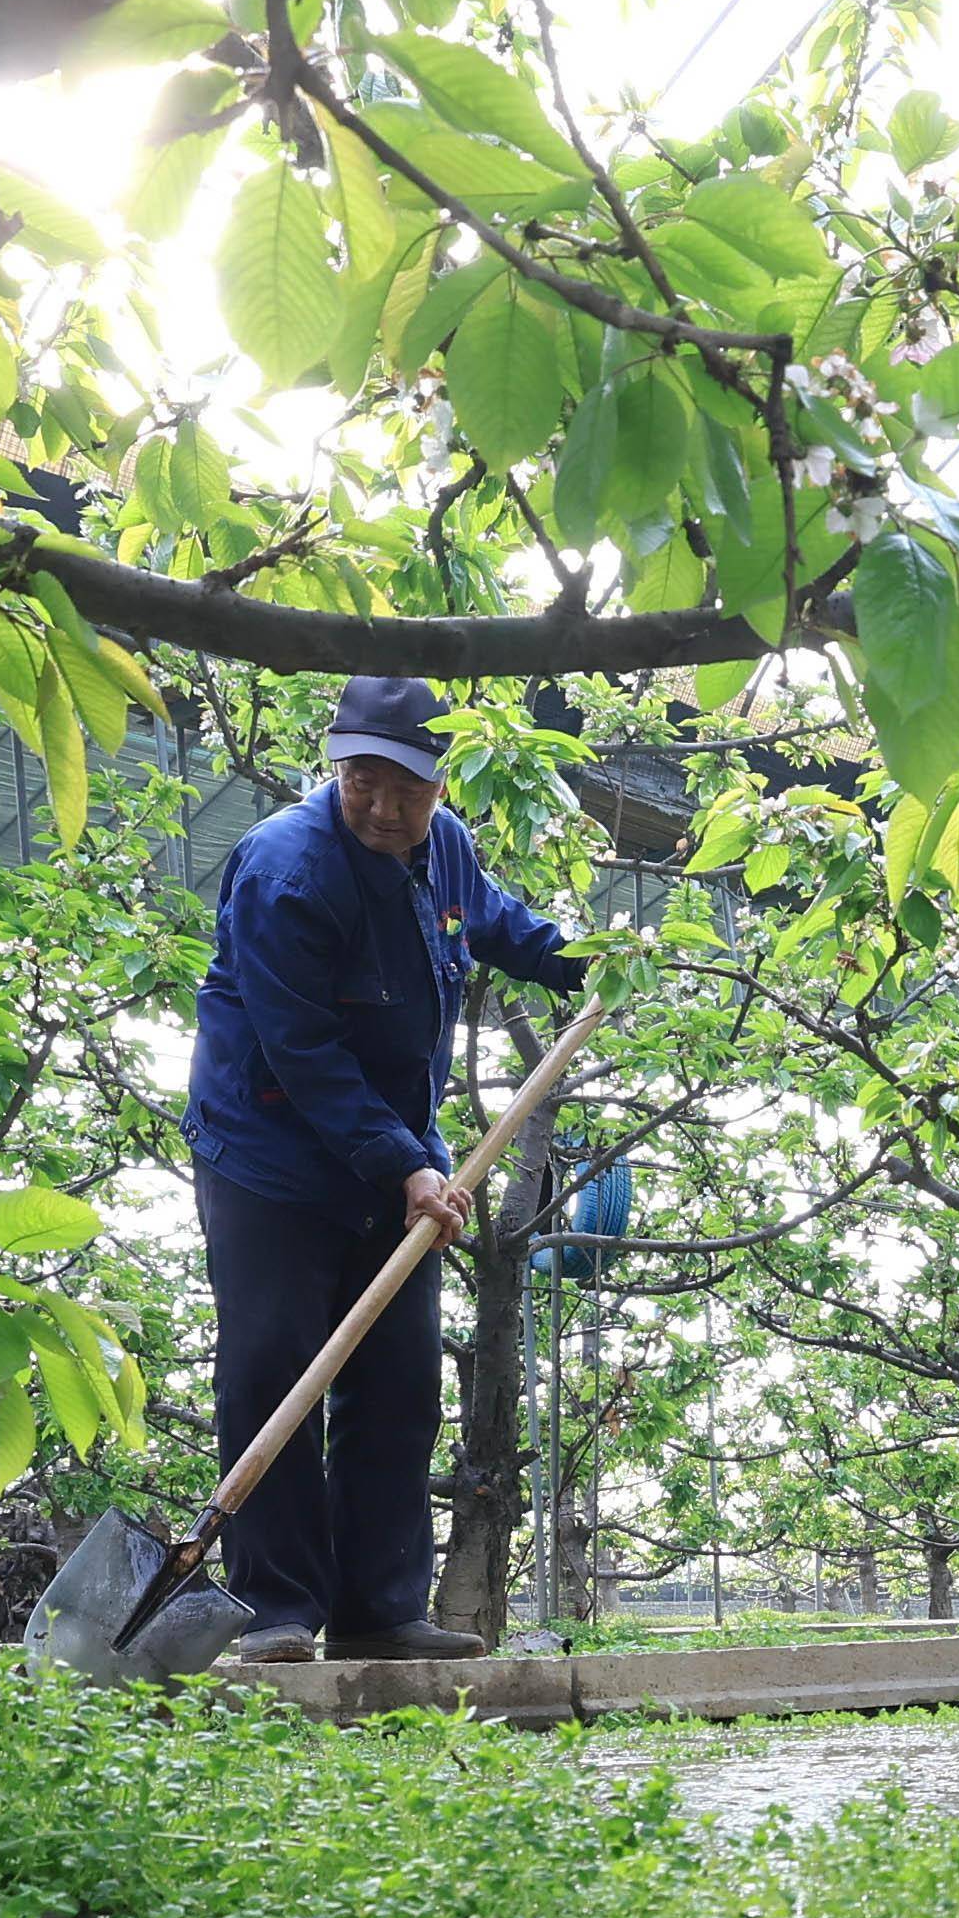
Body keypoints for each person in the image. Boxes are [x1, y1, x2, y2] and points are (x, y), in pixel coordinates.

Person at [183, 676, 586, 1660]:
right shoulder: (285, 871)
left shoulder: (443, 849)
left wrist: (593, 963)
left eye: (405, 785)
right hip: (270, 1159)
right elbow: (305, 1052)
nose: (380, 803)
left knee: (400, 1383)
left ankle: (380, 1610)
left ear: (443, 786)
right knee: (275, 1368)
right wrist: (405, 1166)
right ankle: (276, 1610)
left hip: (393, 1159)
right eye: (361, 777)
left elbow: (496, 923)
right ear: (337, 764)